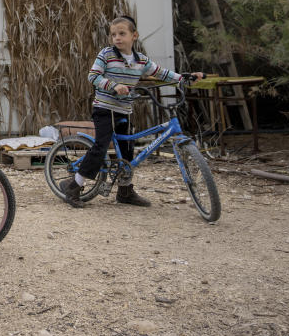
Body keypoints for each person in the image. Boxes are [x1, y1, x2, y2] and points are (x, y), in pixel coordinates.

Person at [59, 15, 203, 208]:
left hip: (124, 109)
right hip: (105, 108)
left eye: (122, 33)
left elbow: (161, 73)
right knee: (101, 147)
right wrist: (113, 85)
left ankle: (125, 191)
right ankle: (74, 186)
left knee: (128, 151)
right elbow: (93, 76)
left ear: (134, 35)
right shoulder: (107, 54)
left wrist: (184, 78)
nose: (117, 38)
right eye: (113, 34)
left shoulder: (141, 61)